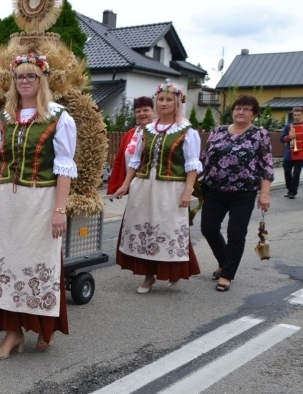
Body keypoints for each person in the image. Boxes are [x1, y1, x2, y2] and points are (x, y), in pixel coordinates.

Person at [0, 54, 76, 360]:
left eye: (30, 76)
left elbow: (65, 168)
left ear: (42, 80)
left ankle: (45, 326)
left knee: (39, 264)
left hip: (39, 202)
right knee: (5, 264)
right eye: (19, 77)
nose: (24, 81)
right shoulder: (3, 119)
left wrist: (60, 210)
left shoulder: (58, 117)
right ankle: (13, 334)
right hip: (2, 203)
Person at [114, 80, 201, 293]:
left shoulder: (187, 131)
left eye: (168, 99)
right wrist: (125, 184)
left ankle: (172, 270)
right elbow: (135, 161)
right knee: (144, 227)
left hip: (170, 188)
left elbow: (192, 165)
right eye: (160, 99)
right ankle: (148, 276)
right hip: (144, 186)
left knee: (167, 228)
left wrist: (188, 191)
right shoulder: (146, 130)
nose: (163, 103)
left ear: (177, 103)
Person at [199, 95, 272, 292]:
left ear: (254, 114)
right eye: (238, 108)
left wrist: (264, 194)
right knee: (208, 228)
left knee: (236, 233)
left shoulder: (260, 135)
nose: (241, 112)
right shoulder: (218, 131)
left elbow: (266, 166)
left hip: (243, 192)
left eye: (246, 109)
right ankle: (224, 261)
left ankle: (227, 275)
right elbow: (204, 158)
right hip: (214, 189)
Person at [106, 96, 155, 194]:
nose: (142, 114)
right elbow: (119, 161)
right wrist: (113, 187)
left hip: (152, 185)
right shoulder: (130, 134)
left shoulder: (159, 133)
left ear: (153, 111)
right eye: (138, 111)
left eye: (146, 110)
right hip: (133, 186)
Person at [280, 106, 303, 199]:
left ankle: (293, 192)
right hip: (289, 153)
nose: (296, 116)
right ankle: (290, 189)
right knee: (287, 172)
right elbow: (281, 139)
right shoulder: (288, 126)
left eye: (298, 115)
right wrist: (289, 137)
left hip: (301, 154)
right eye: (295, 115)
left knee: (296, 174)